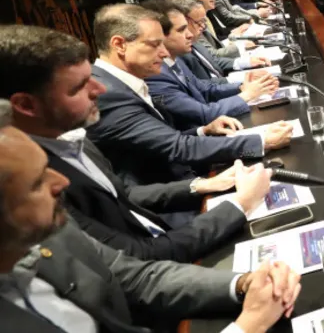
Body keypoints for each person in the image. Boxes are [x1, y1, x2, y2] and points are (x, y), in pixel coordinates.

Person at [0, 102, 302, 333]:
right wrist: (247, 327)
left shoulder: (49, 231)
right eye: (37, 182)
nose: (61, 183)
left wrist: (242, 284)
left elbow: (139, 277)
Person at [0, 26, 270, 262]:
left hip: (165, 230)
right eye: (79, 87)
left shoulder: (70, 136)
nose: (99, 90)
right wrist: (239, 205)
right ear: (25, 105)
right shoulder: (28, 180)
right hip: (164, 256)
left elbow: (122, 194)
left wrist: (201, 185)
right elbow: (139, 258)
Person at [86, 4, 293, 186]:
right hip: (171, 197)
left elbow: (162, 140)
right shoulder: (106, 93)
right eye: (154, 44)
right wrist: (260, 141)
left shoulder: (121, 81)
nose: (164, 53)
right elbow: (176, 148)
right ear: (120, 45)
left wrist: (203, 131)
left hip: (181, 180)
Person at [143, 0, 276, 131]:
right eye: (181, 30)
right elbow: (203, 114)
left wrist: (242, 87)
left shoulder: (175, 60)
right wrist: (247, 95)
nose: (189, 35)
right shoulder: (155, 75)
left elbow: (205, 89)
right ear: (159, 37)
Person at [170, 0, 268, 81]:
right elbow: (203, 86)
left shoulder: (193, 40)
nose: (203, 27)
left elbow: (213, 60)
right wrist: (243, 82)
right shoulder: (179, 51)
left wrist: (247, 62)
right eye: (198, 22)